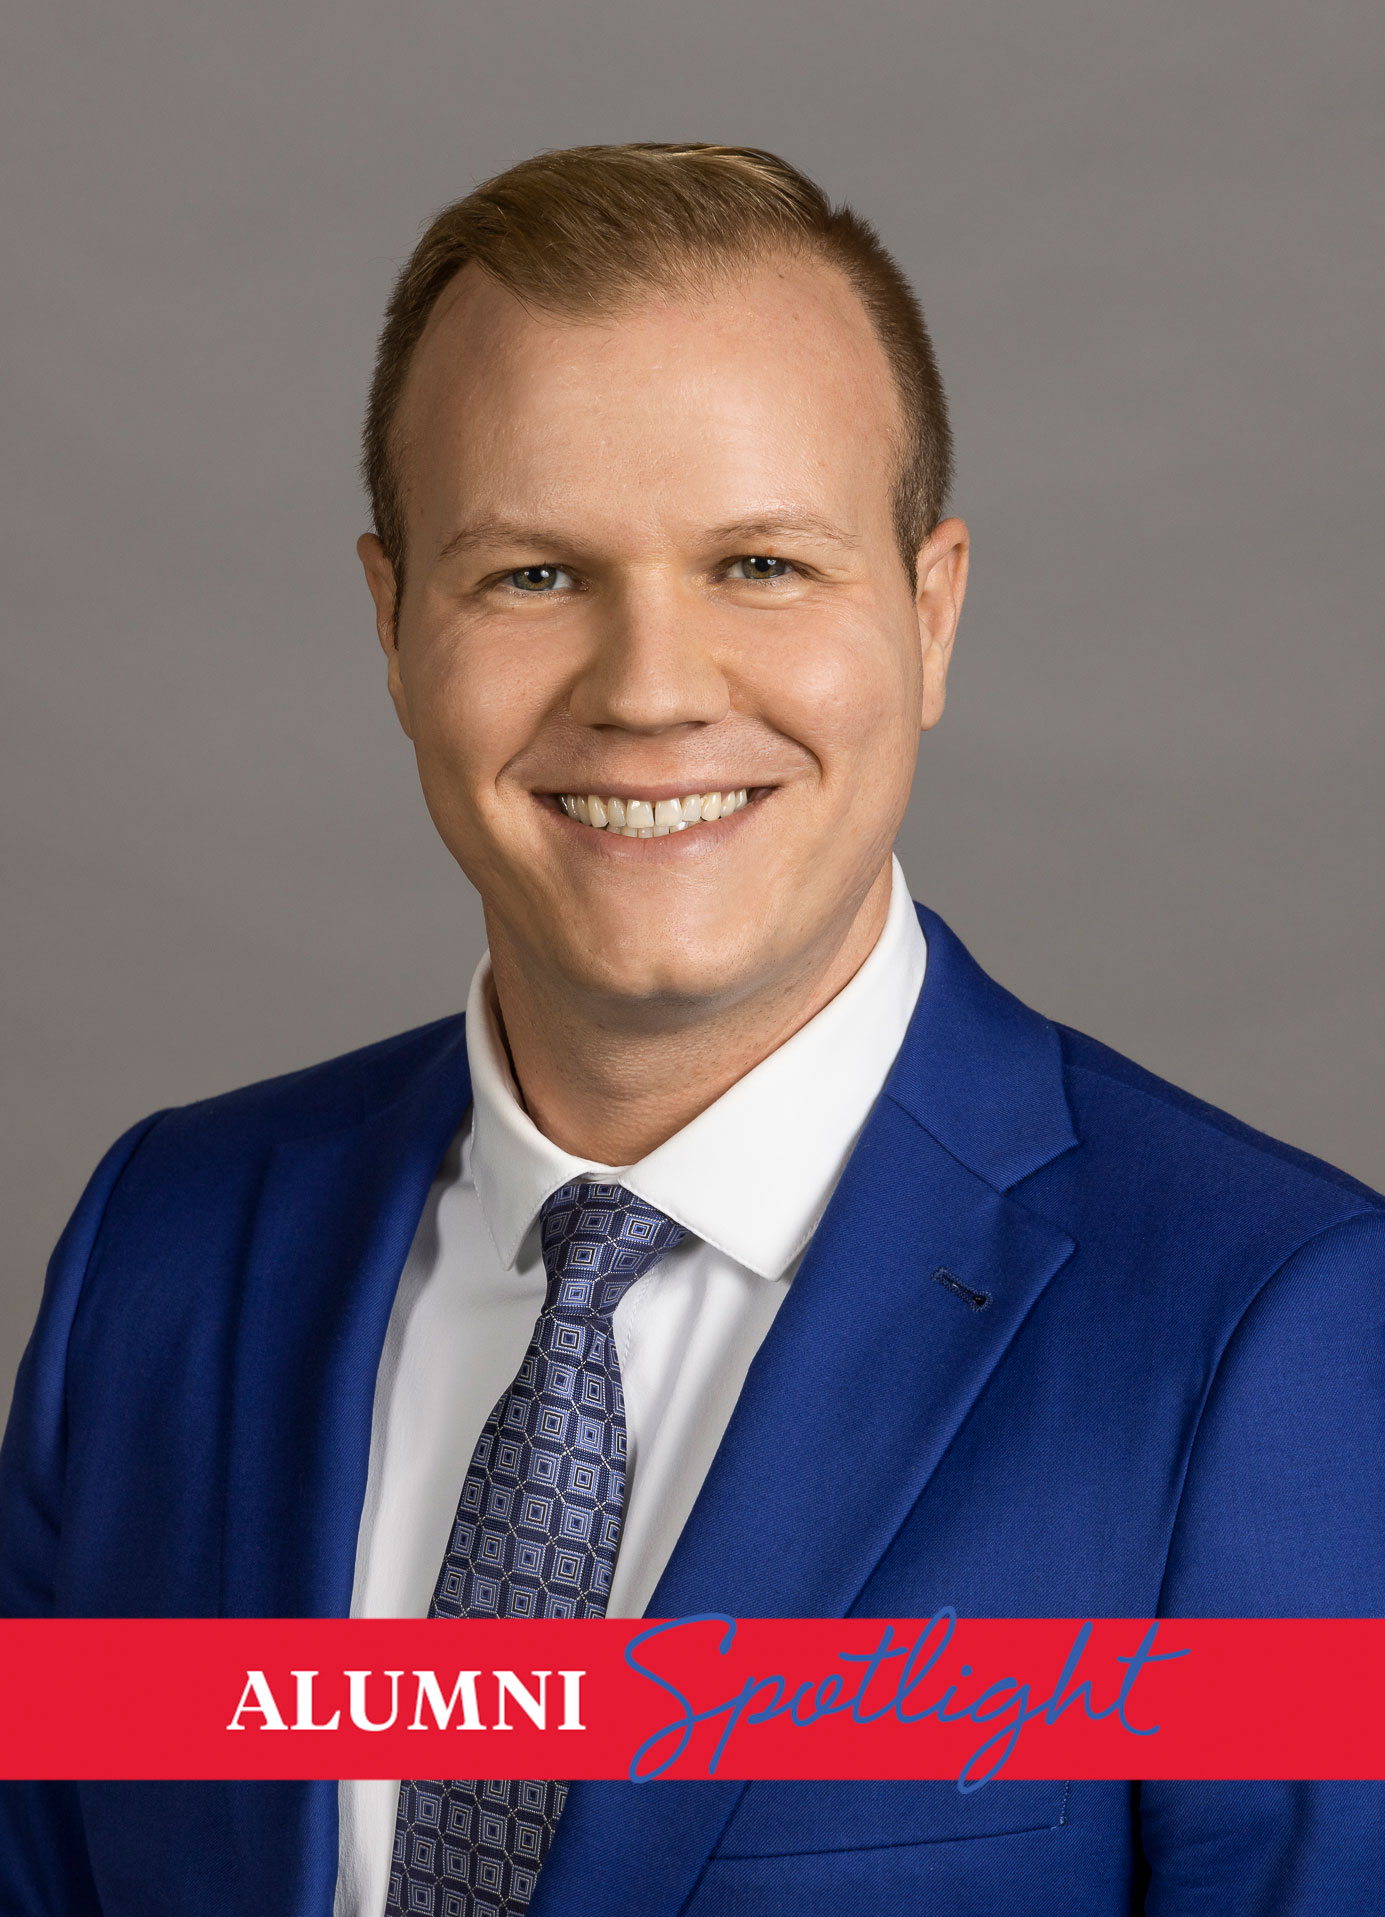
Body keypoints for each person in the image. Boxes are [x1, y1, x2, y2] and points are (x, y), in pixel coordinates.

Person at [1, 141, 1382, 1917]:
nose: (650, 688)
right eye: (532, 576)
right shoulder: (166, 1253)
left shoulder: (1268, 1327)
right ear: (394, 622)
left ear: (931, 610)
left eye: (757, 563)